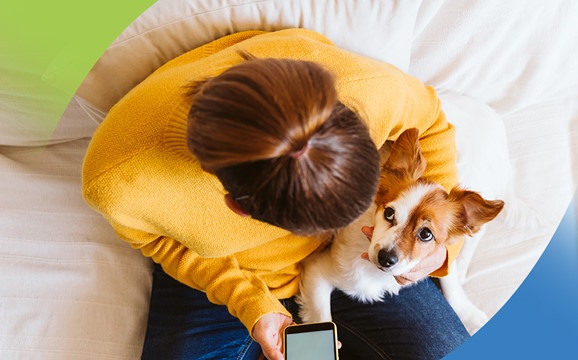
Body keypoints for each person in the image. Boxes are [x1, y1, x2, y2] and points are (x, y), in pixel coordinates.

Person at [82, 28, 469, 360]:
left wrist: (439, 249)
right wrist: (250, 303)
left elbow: (431, 121)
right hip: (224, 272)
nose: (371, 227)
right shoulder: (119, 181)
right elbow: (160, 243)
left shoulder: (365, 89)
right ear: (237, 208)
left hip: (348, 264)